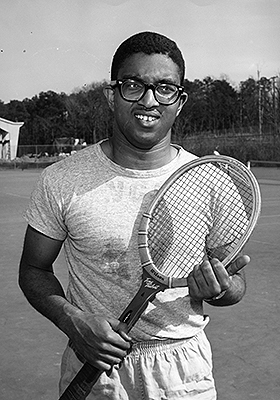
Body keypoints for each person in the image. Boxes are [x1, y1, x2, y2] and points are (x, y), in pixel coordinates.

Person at [19, 31, 249, 400]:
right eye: (133, 85)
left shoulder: (211, 181)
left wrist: (221, 288)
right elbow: (33, 269)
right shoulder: (61, 179)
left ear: (181, 101)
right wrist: (72, 320)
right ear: (111, 95)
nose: (149, 100)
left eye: (164, 88)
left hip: (182, 371)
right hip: (92, 364)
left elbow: (236, 285)